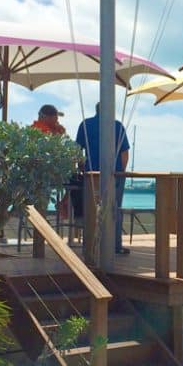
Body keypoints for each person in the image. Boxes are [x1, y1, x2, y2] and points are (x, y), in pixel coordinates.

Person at [75, 103, 131, 255]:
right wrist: (121, 172)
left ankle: (90, 245)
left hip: (91, 173)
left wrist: (82, 168)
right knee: (115, 208)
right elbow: (124, 153)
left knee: (91, 208)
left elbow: (77, 151)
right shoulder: (117, 125)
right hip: (115, 174)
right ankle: (115, 245)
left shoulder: (85, 124)